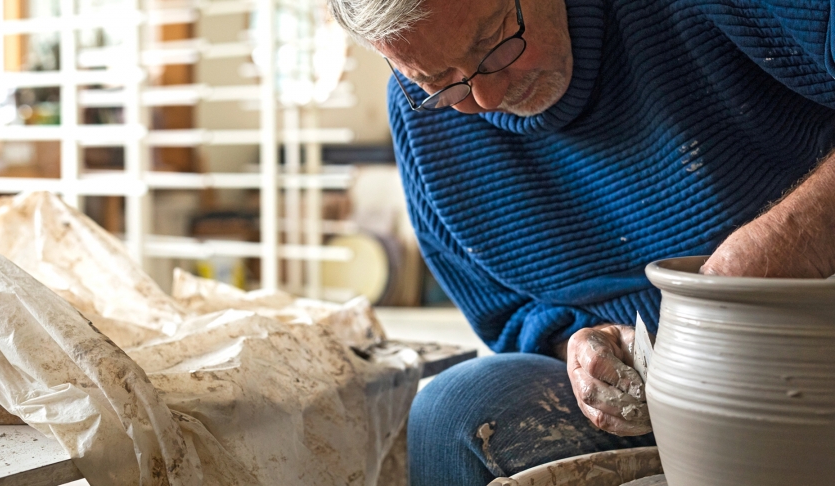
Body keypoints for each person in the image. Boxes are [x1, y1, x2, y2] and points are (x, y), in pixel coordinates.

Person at [329, 0, 835, 484]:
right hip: (662, 390)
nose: (482, 98)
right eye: (438, 82)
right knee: (453, 409)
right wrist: (586, 345)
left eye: (495, 40)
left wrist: (803, 238)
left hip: (809, 346)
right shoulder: (425, 121)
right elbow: (510, 315)